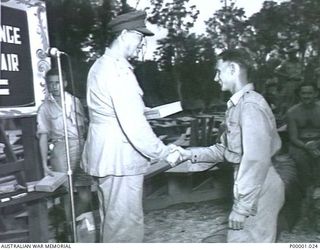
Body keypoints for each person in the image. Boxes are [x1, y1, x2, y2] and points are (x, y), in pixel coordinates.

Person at [170, 49, 285, 242]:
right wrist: (187, 154)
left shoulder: (250, 105)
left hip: (258, 185)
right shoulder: (238, 105)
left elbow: (256, 159)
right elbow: (225, 149)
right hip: (251, 183)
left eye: (218, 71)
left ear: (232, 69)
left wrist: (242, 208)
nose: (216, 78)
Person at [81, 10, 175, 243]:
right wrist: (165, 152)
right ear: (124, 35)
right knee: (125, 229)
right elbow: (133, 127)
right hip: (120, 158)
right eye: (139, 37)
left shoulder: (100, 65)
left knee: (112, 222)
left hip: (107, 156)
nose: (142, 44)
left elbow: (110, 110)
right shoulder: (118, 71)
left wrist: (142, 111)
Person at [37, 68, 93, 241]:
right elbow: (43, 136)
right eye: (50, 83)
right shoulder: (45, 108)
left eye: (57, 83)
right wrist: (44, 164)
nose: (54, 87)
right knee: (67, 194)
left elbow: (86, 126)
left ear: (65, 83)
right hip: (61, 149)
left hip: (81, 146)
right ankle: (71, 234)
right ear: (47, 86)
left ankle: (77, 224)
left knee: (85, 194)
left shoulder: (75, 102)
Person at [287, 82, 320, 228]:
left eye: (310, 93)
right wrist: (307, 147)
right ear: (299, 95)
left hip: (318, 143)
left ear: (316, 94)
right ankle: (306, 201)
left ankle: (317, 200)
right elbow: (293, 137)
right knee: (301, 162)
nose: (307, 96)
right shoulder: (292, 112)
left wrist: (316, 145)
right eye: (304, 93)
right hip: (299, 145)